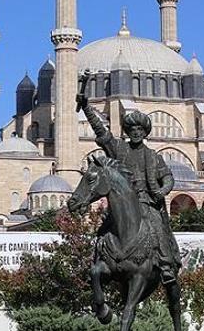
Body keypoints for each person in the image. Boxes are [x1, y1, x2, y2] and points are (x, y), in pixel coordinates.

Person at [76, 92, 182, 283]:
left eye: (139, 129)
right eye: (132, 129)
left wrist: (162, 191)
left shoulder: (152, 156)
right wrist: (86, 107)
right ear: (127, 131)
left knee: (157, 226)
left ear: (144, 132)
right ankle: (99, 260)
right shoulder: (119, 149)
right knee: (104, 231)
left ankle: (166, 266)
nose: (136, 132)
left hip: (145, 201)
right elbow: (101, 132)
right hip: (123, 201)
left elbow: (168, 178)